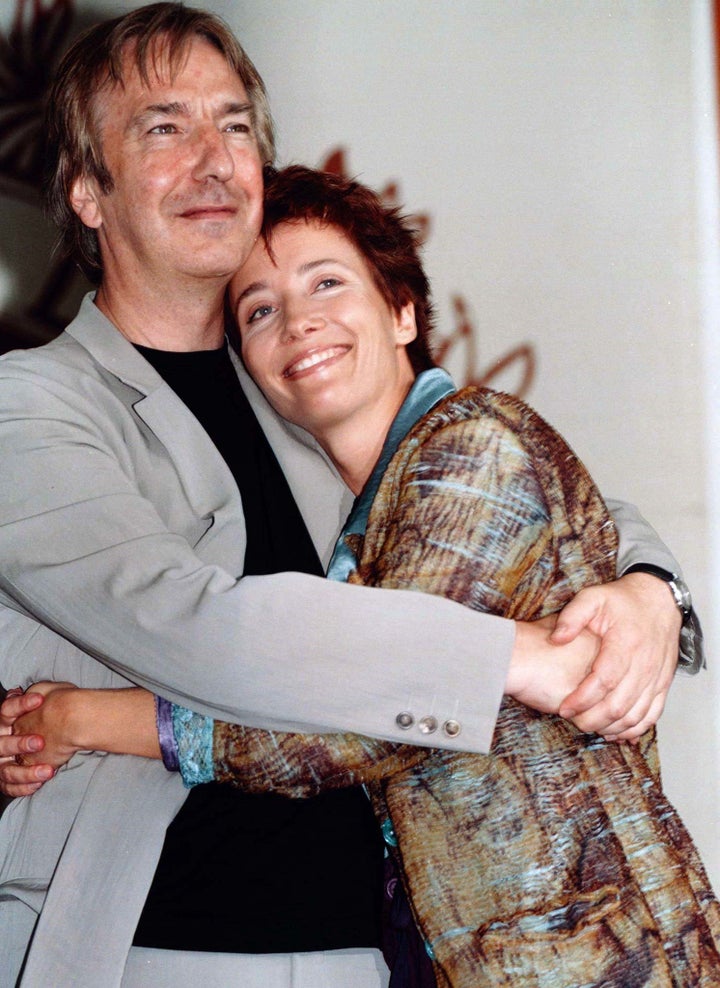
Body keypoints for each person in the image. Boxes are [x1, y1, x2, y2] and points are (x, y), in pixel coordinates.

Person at [0, 3, 699, 987]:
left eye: (235, 124)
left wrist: (649, 593)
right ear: (84, 190)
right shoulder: (27, 409)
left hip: (380, 955)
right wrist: (507, 658)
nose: (213, 158)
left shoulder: (298, 384)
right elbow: (205, 634)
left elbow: (517, 489)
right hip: (155, 953)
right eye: (165, 127)